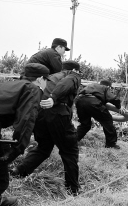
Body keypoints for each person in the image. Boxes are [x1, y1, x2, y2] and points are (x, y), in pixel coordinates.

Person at [11, 61, 81, 195]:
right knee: (70, 151)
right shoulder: (73, 75)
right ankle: (73, 190)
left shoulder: (50, 76)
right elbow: (66, 84)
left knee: (43, 147)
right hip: (57, 112)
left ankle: (19, 171)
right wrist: (53, 98)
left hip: (40, 114)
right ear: (74, 70)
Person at [0, 63, 49, 206]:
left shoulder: (11, 85)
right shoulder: (33, 89)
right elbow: (26, 121)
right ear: (40, 79)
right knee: (0, 167)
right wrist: (15, 151)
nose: (46, 85)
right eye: (46, 81)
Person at [76, 79, 126, 149]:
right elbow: (113, 98)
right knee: (107, 120)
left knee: (85, 124)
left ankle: (72, 141)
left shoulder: (92, 86)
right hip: (93, 102)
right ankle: (111, 144)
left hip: (79, 101)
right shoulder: (105, 88)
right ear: (108, 87)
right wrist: (119, 106)